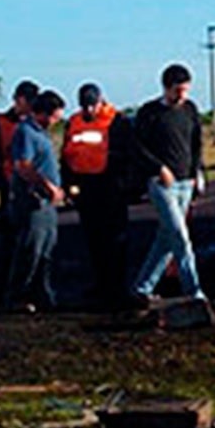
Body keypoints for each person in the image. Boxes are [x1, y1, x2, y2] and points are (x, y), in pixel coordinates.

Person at [131, 63, 207, 305]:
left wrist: (197, 171)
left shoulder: (190, 110)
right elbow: (138, 148)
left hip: (186, 181)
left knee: (166, 238)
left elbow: (196, 142)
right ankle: (193, 290)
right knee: (180, 236)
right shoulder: (149, 113)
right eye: (178, 90)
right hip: (162, 184)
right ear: (166, 87)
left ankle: (142, 287)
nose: (182, 96)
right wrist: (158, 168)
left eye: (185, 90)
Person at [62, 82, 134, 311]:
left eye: (92, 105)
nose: (89, 110)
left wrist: (126, 185)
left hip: (110, 187)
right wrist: (68, 184)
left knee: (115, 239)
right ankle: (101, 284)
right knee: (94, 239)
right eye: (85, 106)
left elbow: (129, 154)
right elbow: (66, 155)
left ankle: (117, 286)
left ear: (100, 101)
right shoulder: (73, 122)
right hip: (86, 187)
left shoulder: (117, 121)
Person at [6, 90, 66, 313]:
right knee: (31, 249)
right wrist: (47, 186)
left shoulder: (42, 134)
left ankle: (42, 293)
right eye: (54, 117)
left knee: (47, 249)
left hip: (47, 202)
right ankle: (19, 295)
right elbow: (23, 166)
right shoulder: (26, 132)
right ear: (43, 113)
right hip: (33, 200)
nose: (56, 121)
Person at [0, 80, 38, 304]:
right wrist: (0, 183)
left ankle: (28, 289)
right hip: (10, 187)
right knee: (9, 241)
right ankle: (4, 290)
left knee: (31, 240)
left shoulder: (35, 123)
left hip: (31, 187)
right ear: (18, 100)